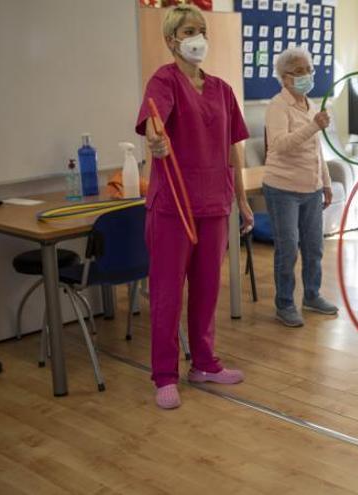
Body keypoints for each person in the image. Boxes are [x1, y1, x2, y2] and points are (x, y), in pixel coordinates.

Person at [136, 4, 253, 410]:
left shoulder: (222, 89)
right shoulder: (163, 80)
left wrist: (240, 198)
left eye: (201, 29)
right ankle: (164, 375)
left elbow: (233, 148)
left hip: (215, 202)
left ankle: (204, 363)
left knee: (206, 291)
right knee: (168, 293)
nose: (198, 36)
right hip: (173, 205)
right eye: (189, 30)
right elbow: (154, 123)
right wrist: (156, 140)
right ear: (172, 40)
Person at [263, 47, 339, 328]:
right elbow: (280, 145)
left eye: (309, 69)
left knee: (314, 247)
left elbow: (316, 150)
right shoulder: (277, 106)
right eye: (299, 71)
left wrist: (326, 183)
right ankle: (284, 304)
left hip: (311, 188)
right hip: (282, 188)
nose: (307, 75)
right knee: (288, 249)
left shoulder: (311, 104)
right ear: (284, 78)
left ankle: (312, 295)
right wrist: (314, 127)